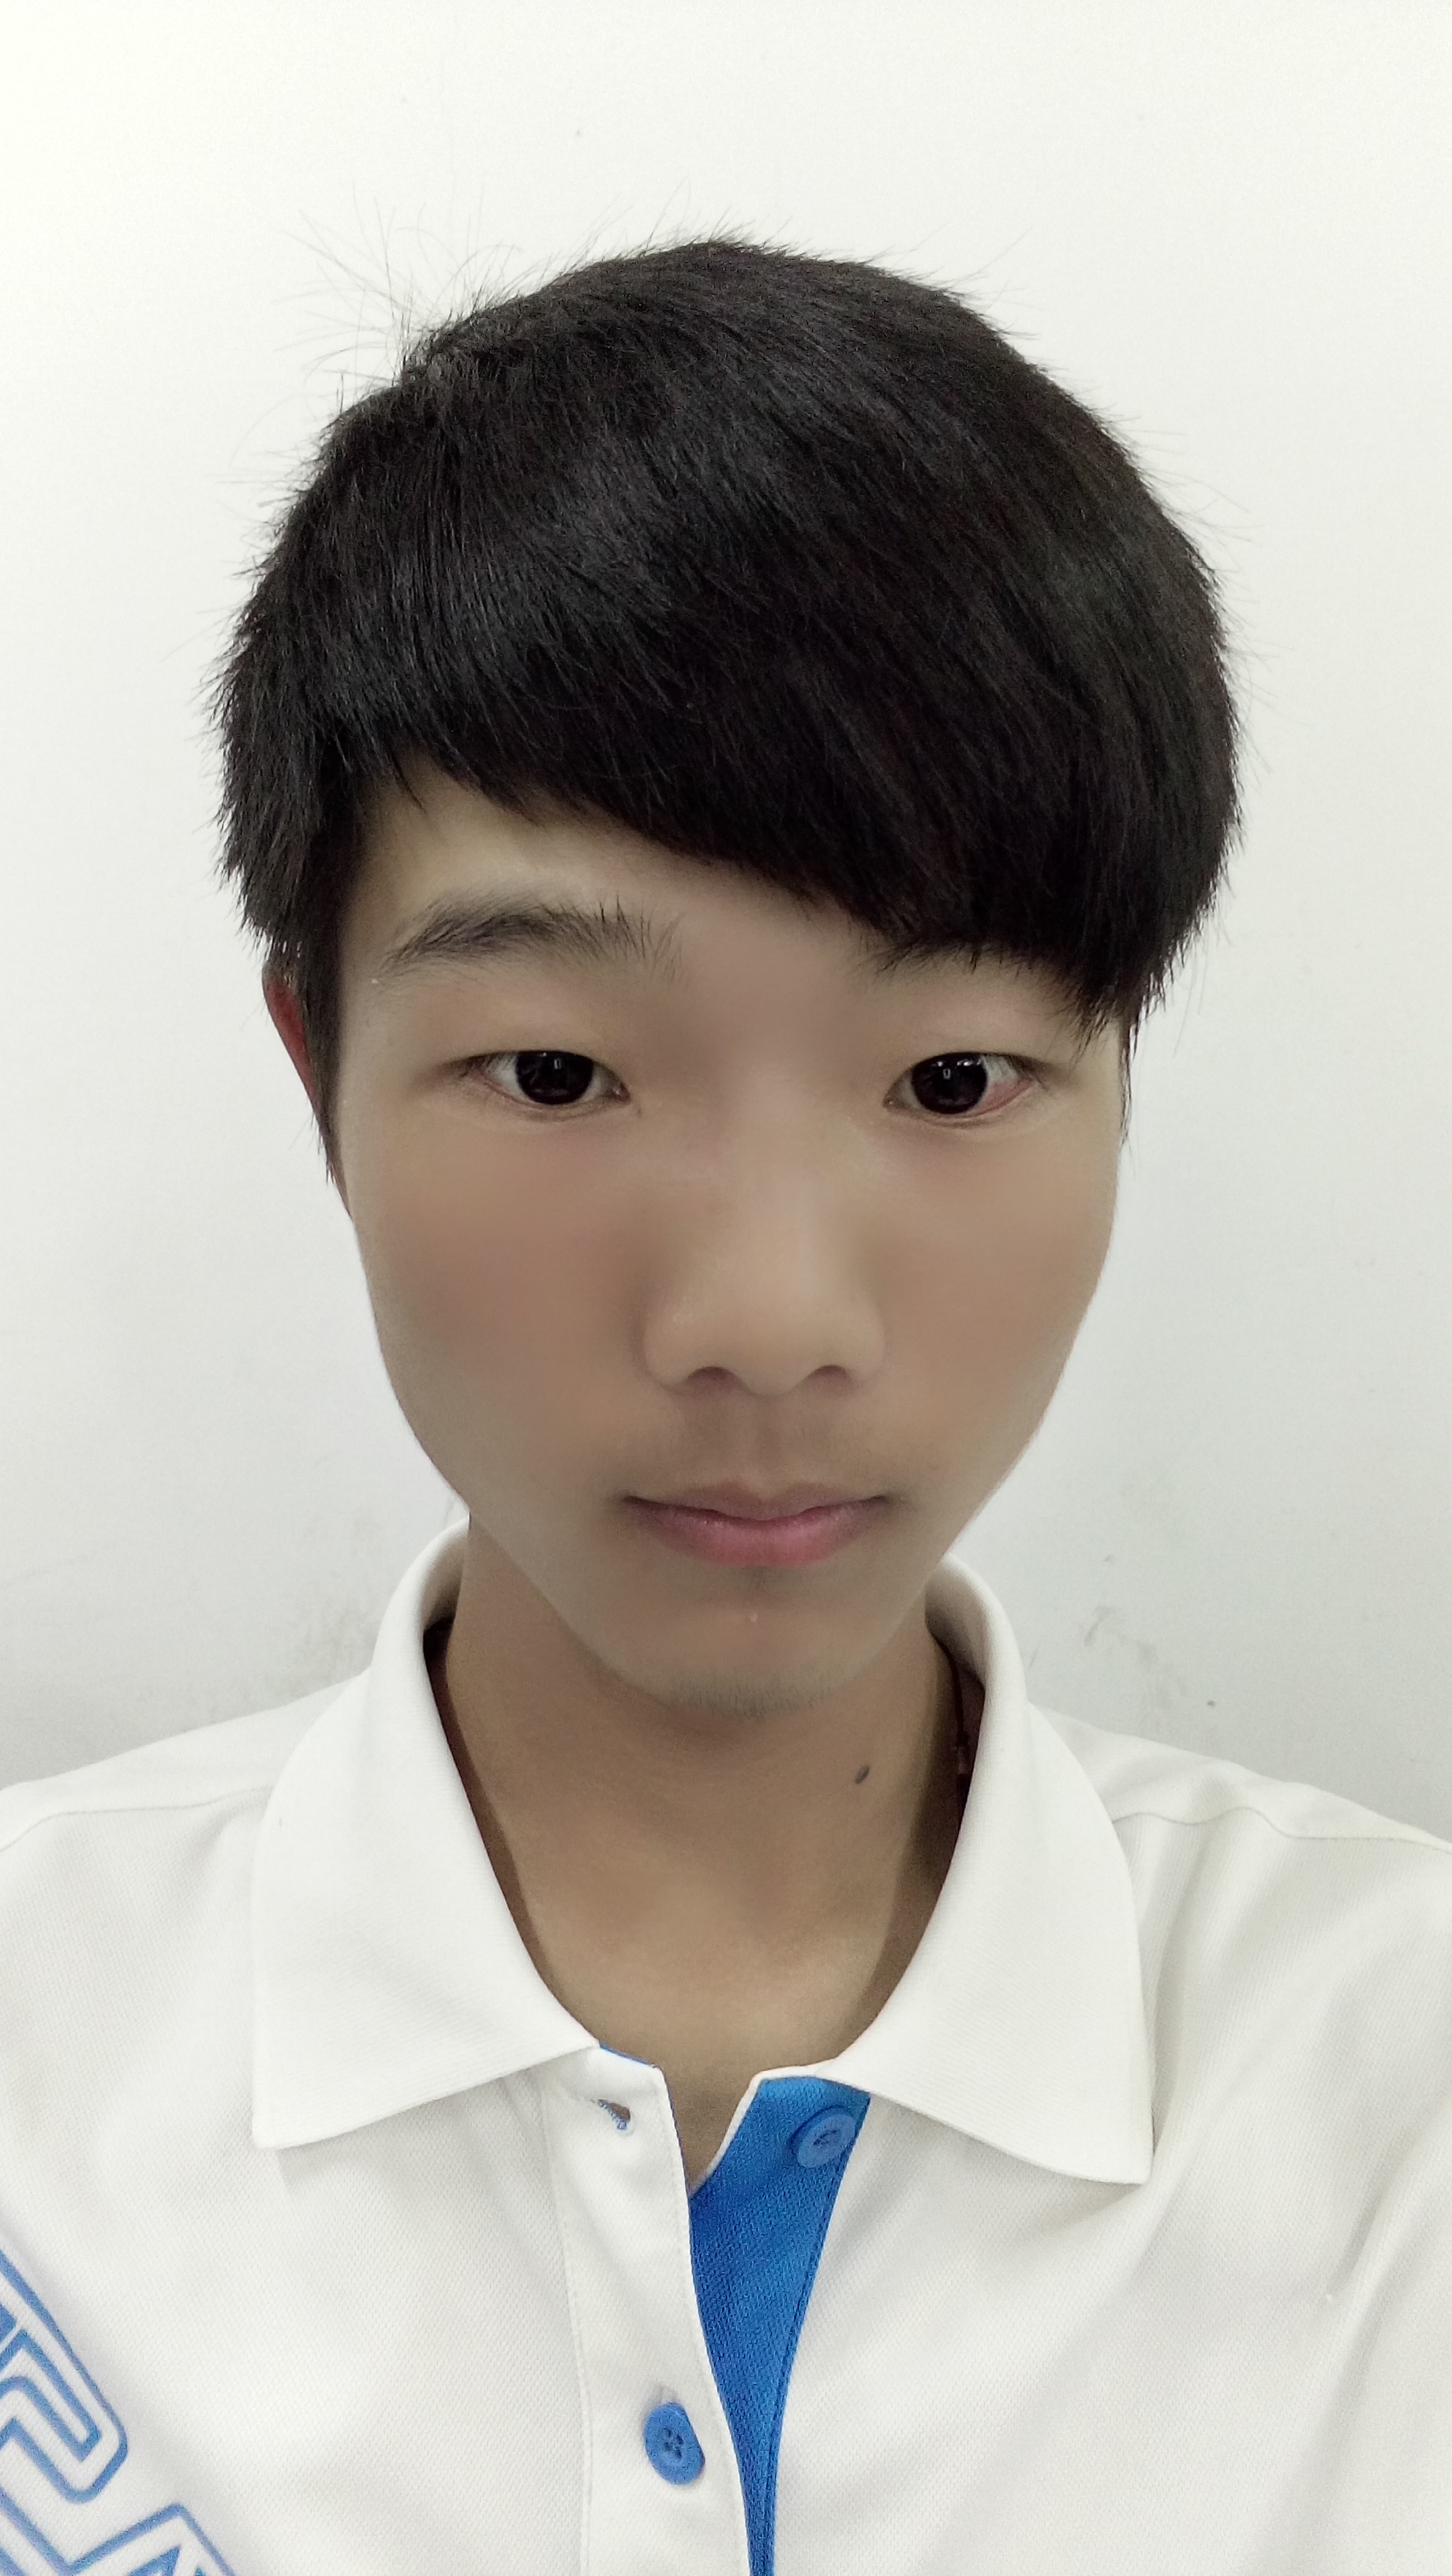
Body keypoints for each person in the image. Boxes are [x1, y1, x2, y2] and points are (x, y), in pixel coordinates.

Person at [1, 238, 1447, 2576]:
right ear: (318, 1074)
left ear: (1119, 1077)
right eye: (555, 1070)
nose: (767, 1322)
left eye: (954, 1077)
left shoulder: (1398, 2101)